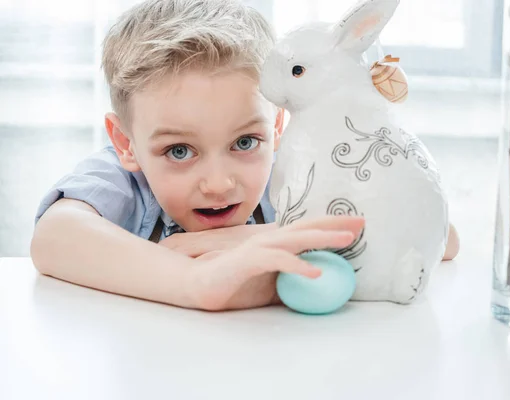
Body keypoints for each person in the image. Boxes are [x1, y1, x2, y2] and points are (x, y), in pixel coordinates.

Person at [30, 0, 459, 312]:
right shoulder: (124, 179)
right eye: (179, 151)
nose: (218, 183)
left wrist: (216, 243)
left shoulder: (300, 171)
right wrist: (195, 282)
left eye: (245, 142)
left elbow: (442, 239)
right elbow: (54, 238)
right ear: (126, 144)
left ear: (276, 127)